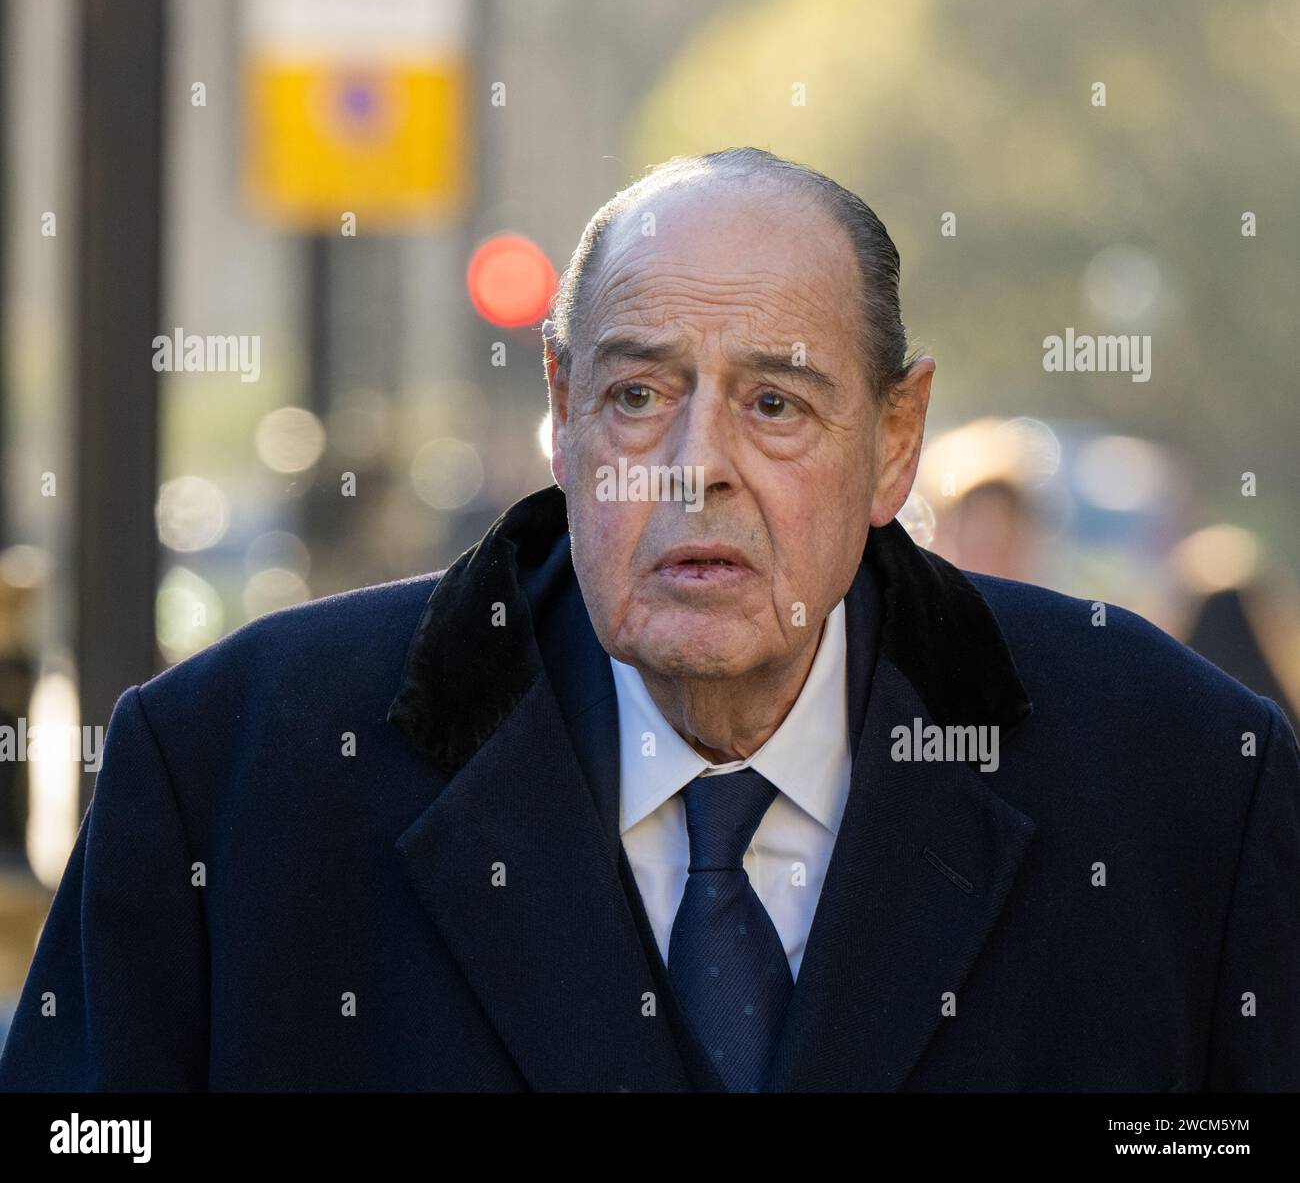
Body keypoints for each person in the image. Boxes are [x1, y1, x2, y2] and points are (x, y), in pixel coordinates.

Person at [1, 147, 1297, 1092]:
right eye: (637, 394)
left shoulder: (1184, 781)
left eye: (776, 406)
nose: (695, 467)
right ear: (560, 416)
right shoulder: (230, 771)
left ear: (897, 442)